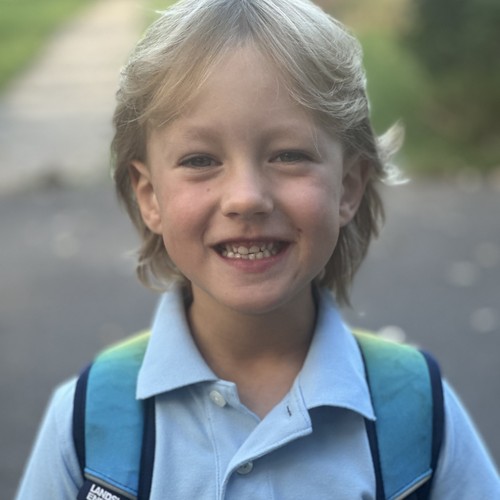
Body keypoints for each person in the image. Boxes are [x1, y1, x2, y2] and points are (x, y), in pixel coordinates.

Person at [16, 0, 499, 498]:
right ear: (150, 196)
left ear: (349, 186)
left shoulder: (418, 414)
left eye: (288, 155)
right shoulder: (88, 422)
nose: (246, 197)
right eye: (200, 160)